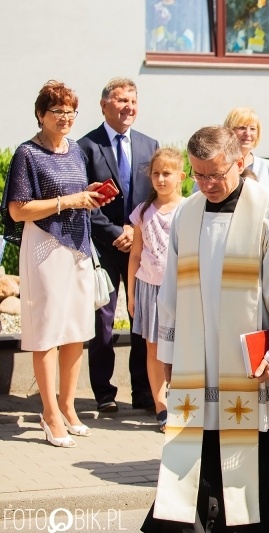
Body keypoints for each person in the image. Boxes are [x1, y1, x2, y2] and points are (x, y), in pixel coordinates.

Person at [142, 126, 269, 532]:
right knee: (199, 450)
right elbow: (171, 292)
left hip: (258, 365)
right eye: (198, 175)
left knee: (267, 461)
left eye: (216, 174)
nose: (208, 184)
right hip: (200, 367)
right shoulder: (187, 212)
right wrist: (169, 356)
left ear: (240, 161)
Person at [1, 80, 110, 447]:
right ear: (40, 115)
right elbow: (18, 210)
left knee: (76, 330)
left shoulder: (76, 150)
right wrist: (69, 201)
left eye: (70, 112)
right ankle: (49, 413)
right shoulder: (27, 154)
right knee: (47, 330)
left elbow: (80, 195)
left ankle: (68, 405)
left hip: (78, 245)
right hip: (44, 246)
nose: (65, 118)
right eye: (57, 111)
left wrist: (90, 199)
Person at [78, 77, 160, 413]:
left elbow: (157, 193)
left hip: (142, 248)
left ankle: (142, 391)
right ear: (104, 106)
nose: (128, 107)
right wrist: (116, 230)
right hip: (104, 246)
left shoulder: (148, 144)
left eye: (133, 101)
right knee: (103, 321)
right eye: (121, 100)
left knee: (142, 317)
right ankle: (104, 392)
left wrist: (137, 232)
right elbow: (84, 200)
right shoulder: (85, 147)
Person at [126, 148, 185, 433]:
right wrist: (131, 294)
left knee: (180, 347)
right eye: (156, 173)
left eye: (167, 173)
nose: (161, 179)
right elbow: (135, 255)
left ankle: (181, 402)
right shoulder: (142, 212)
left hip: (179, 290)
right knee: (154, 348)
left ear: (181, 177)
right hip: (149, 288)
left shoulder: (188, 208)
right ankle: (161, 405)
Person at [223, 106, 269, 197]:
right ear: (229, 131)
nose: (248, 134)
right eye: (242, 128)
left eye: (252, 129)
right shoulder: (217, 164)